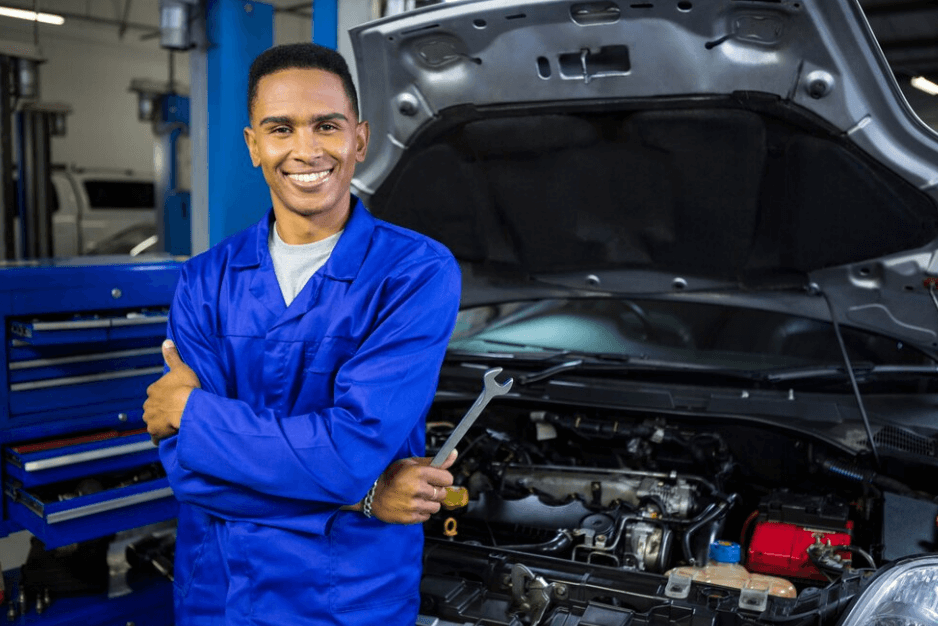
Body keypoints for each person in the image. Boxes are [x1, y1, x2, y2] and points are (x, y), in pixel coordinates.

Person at [142, 42, 462, 626]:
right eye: (280, 128)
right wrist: (362, 497)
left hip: (344, 600)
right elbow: (186, 469)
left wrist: (193, 412)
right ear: (253, 146)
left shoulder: (415, 272)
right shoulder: (204, 279)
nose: (306, 149)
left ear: (359, 139)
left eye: (327, 126)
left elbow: (346, 452)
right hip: (218, 591)